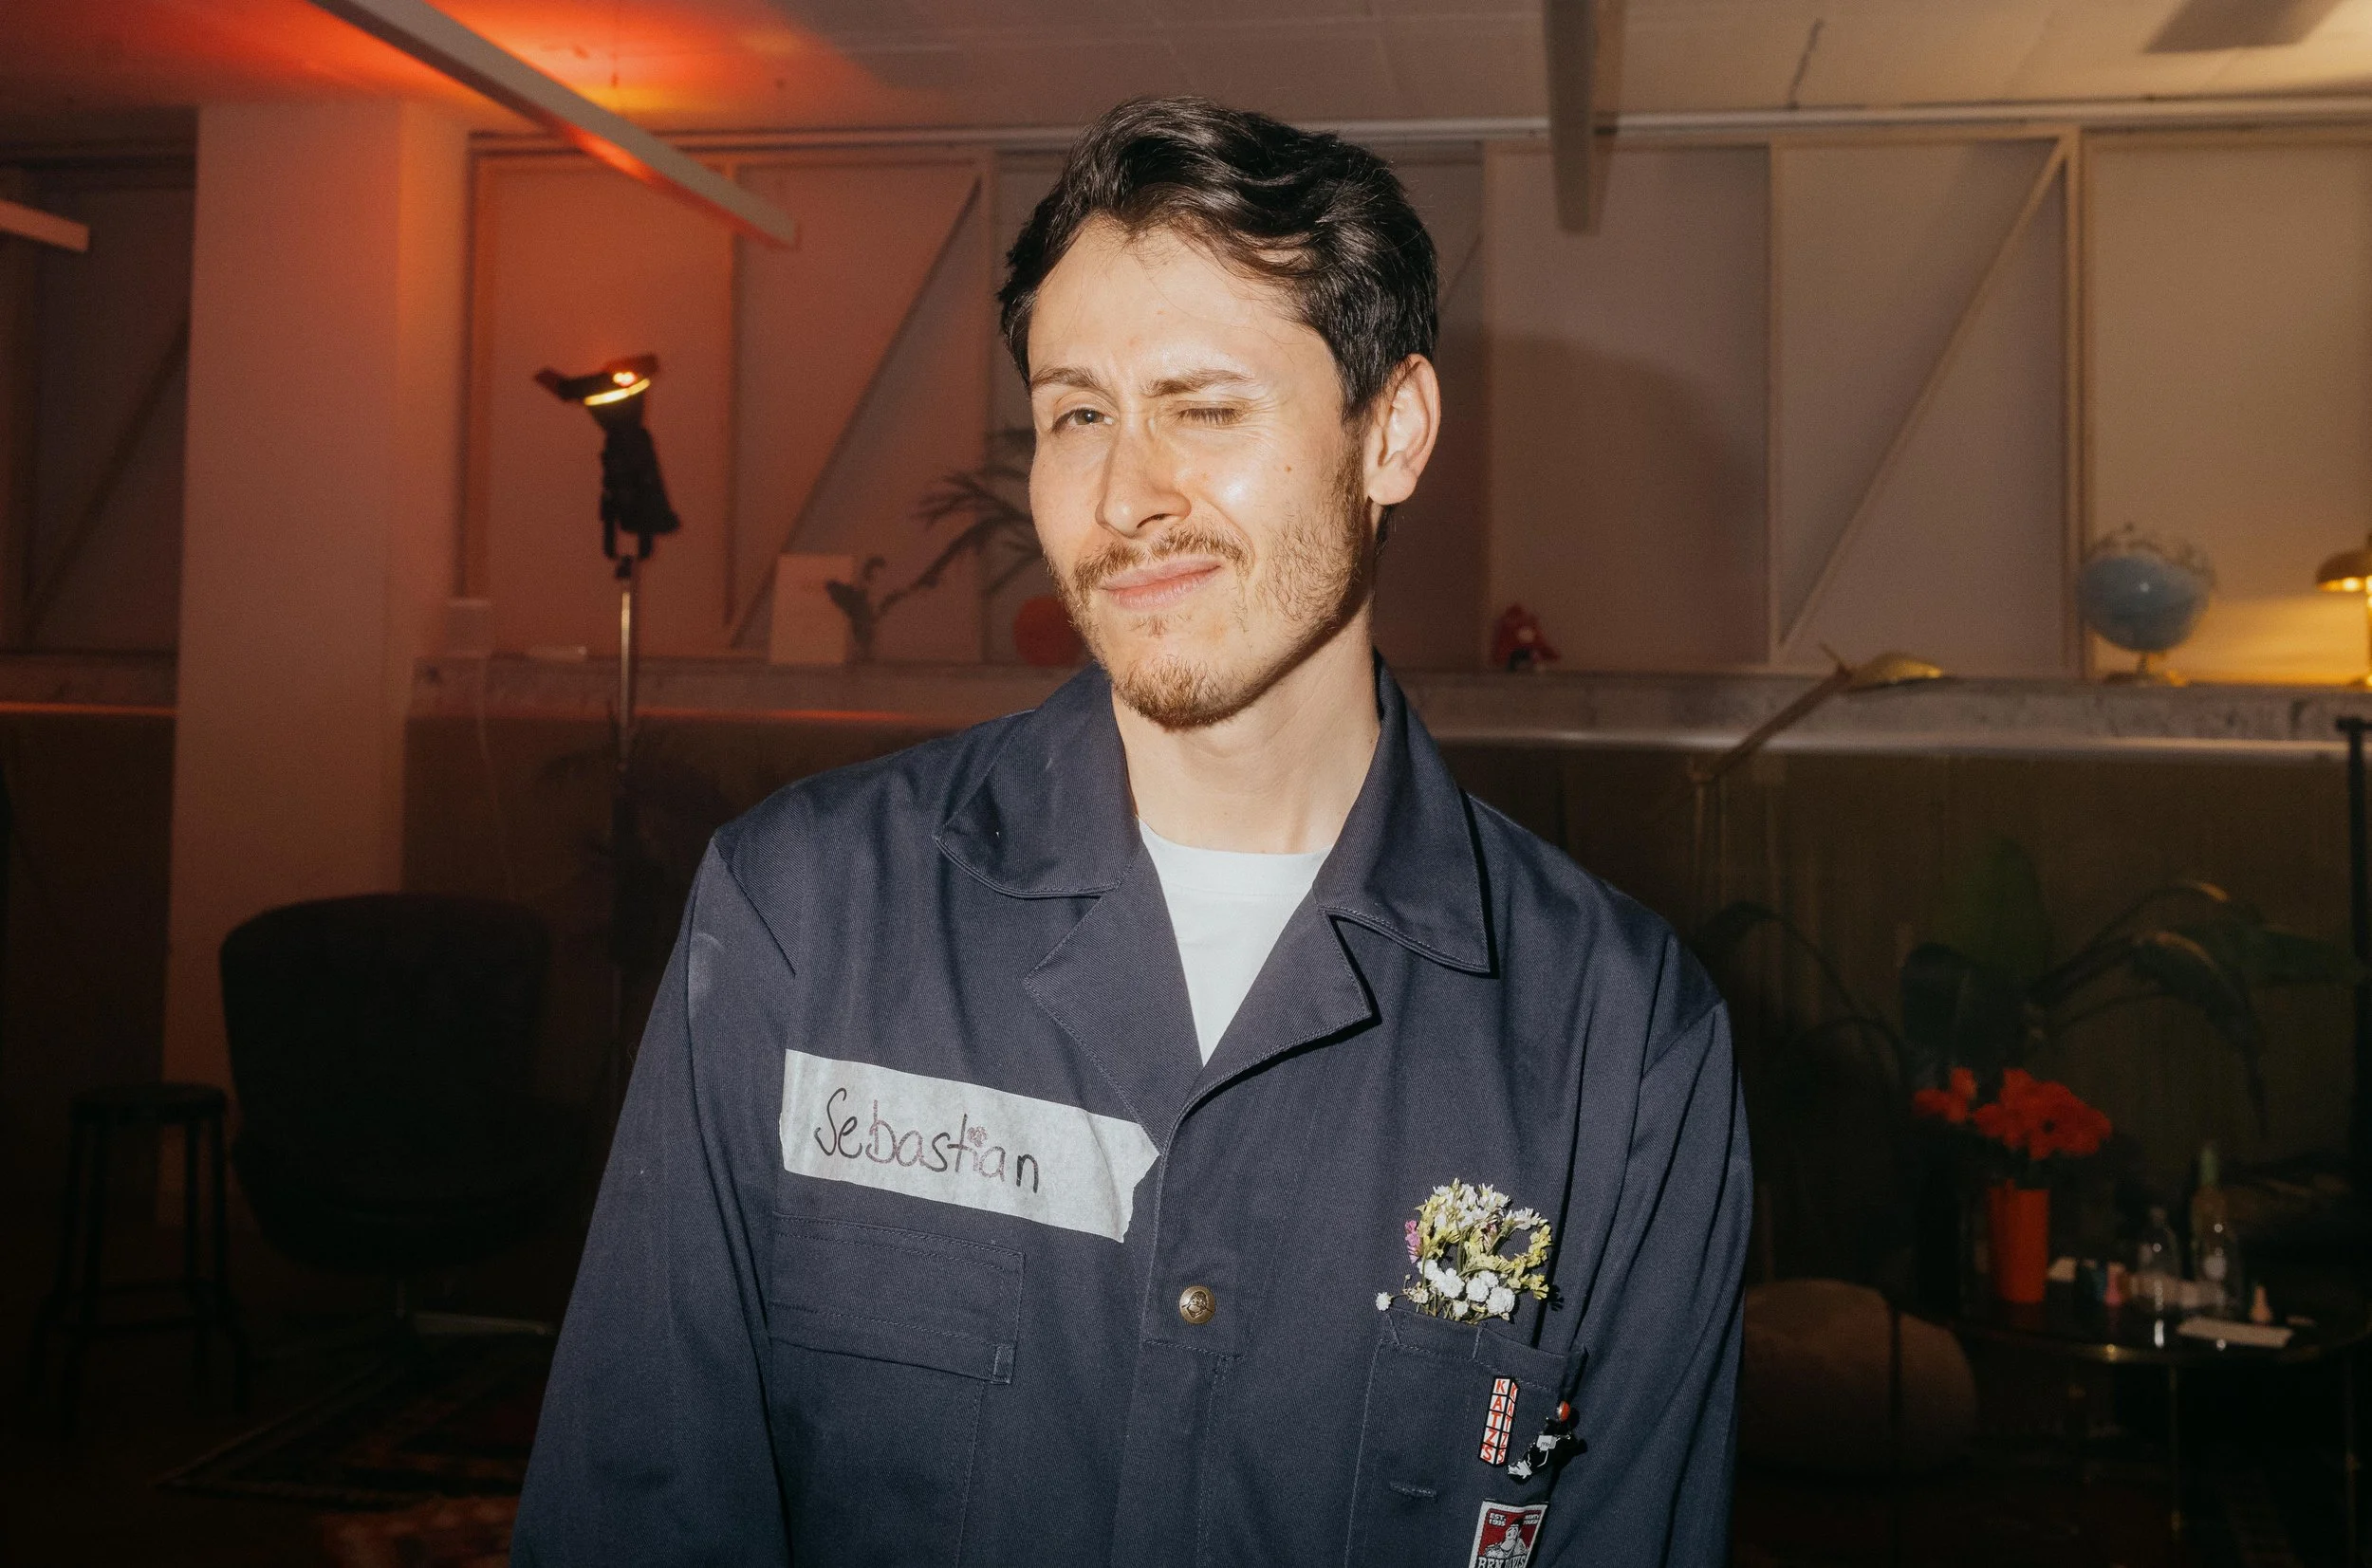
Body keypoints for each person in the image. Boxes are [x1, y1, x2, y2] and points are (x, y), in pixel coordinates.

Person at [513, 96, 1749, 1568]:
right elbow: (636, 1509)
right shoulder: (803, 918)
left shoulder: (1621, 1038)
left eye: (1208, 407)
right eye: (1078, 413)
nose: (1122, 496)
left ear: (1392, 433)